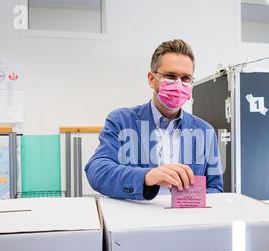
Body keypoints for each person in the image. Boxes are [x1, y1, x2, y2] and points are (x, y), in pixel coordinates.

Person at [85, 39, 223, 200]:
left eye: (185, 78)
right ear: (151, 79)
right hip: (136, 219)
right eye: (170, 76)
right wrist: (147, 176)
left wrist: (191, 201)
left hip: (186, 220)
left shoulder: (205, 131)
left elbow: (215, 188)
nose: (178, 84)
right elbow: (97, 170)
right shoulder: (121, 121)